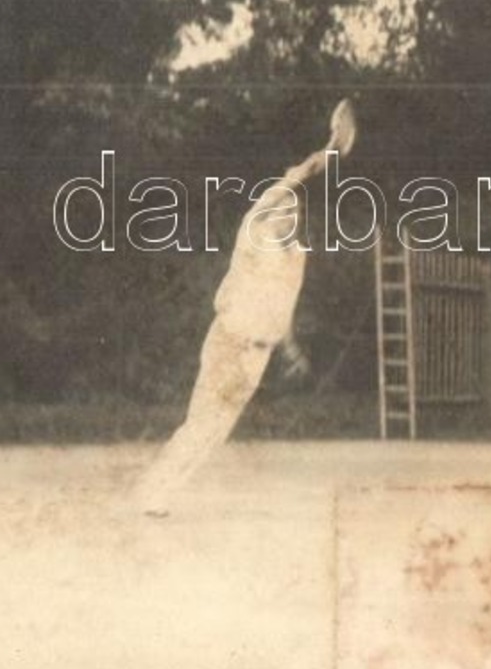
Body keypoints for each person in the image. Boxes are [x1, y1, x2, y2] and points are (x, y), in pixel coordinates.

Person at [130, 102, 355, 516]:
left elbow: (281, 309)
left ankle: (159, 493)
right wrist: (325, 155)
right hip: (229, 342)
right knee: (201, 423)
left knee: (214, 433)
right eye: (282, 207)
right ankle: (151, 493)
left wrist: (289, 350)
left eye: (294, 211)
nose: (287, 213)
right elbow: (292, 181)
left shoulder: (297, 255)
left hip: (258, 356)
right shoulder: (255, 232)